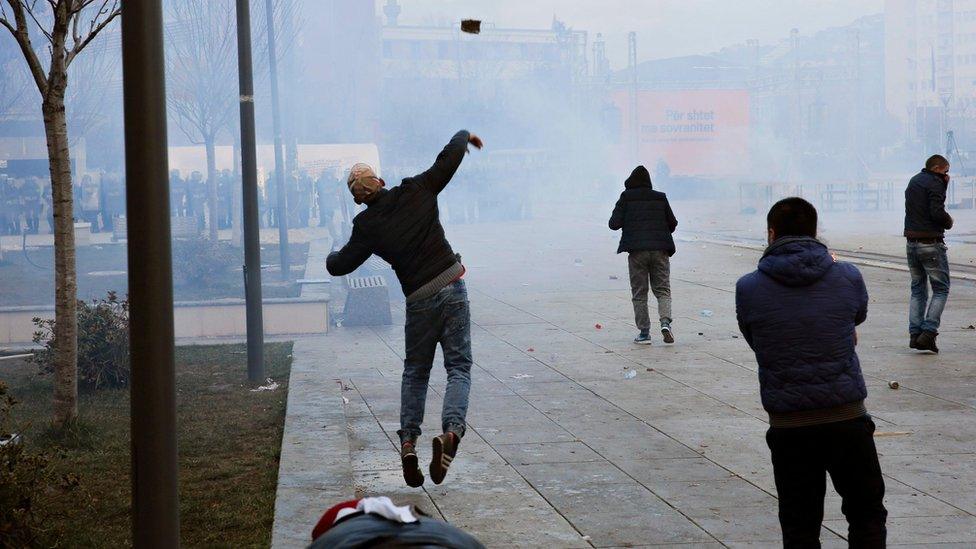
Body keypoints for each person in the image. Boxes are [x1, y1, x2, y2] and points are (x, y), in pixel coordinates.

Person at [326, 130, 483, 488]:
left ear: (356, 199)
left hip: (419, 300)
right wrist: (463, 136)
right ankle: (452, 434)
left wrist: (329, 256)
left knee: (416, 372)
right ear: (380, 181)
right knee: (458, 367)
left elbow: (340, 265)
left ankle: (409, 442)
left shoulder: (366, 226)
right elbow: (449, 160)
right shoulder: (416, 189)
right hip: (452, 283)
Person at [735, 197, 887, 547]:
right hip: (847, 417)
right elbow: (854, 319)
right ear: (816, 231)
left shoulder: (749, 287)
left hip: (790, 424)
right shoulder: (848, 275)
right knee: (866, 513)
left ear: (771, 233)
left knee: (800, 522)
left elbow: (756, 339)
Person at [609, 165, 678, 345]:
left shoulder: (626, 197)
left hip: (637, 252)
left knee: (640, 292)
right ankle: (665, 323)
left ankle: (644, 333)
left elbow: (613, 224)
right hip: (660, 250)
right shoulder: (660, 197)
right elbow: (673, 223)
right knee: (663, 290)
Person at [904, 154, 954, 353]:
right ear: (937, 168)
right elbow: (936, 212)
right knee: (941, 289)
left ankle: (915, 335)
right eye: (945, 172)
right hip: (930, 243)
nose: (946, 176)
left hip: (911, 243)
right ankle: (928, 333)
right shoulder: (935, 182)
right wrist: (948, 221)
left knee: (918, 289)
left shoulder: (914, 181)